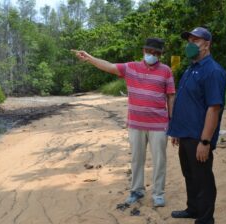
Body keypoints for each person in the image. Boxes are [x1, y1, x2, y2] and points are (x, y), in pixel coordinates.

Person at [72, 38, 175, 207]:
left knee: (160, 160)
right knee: (136, 159)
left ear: (161, 54)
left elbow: (171, 96)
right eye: (150, 51)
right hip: (136, 124)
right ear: (144, 50)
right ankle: (137, 191)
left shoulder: (166, 71)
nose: (152, 55)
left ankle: (158, 194)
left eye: (156, 53)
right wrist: (89, 58)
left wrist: (172, 120)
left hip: (159, 124)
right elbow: (109, 66)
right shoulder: (131, 67)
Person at [167, 27, 226, 224]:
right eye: (189, 39)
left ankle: (205, 222)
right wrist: (176, 130)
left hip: (199, 137)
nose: (191, 43)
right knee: (189, 175)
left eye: (196, 39)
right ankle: (192, 209)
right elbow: (186, 102)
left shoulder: (213, 71)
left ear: (207, 44)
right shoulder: (191, 68)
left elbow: (214, 108)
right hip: (185, 134)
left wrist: (205, 141)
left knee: (203, 180)